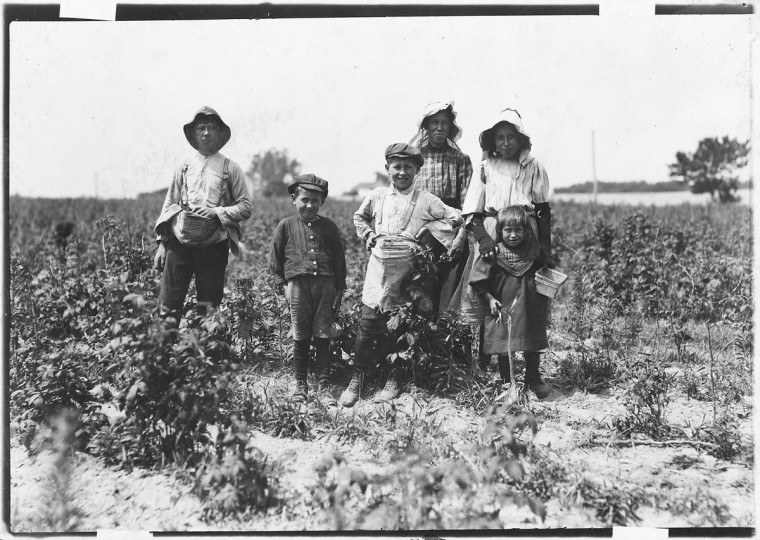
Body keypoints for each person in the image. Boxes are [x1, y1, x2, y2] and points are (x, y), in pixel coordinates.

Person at [338, 143, 462, 407]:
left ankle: (394, 378)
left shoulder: (427, 200)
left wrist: (429, 227)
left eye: (408, 167)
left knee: (401, 322)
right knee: (369, 321)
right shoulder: (377, 196)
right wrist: (369, 235)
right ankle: (358, 377)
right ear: (387, 169)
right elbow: (359, 218)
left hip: (409, 270)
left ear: (417, 170)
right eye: (397, 167)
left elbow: (456, 218)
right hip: (379, 266)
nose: (402, 172)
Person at [447, 107, 554, 382]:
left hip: (524, 234)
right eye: (500, 138)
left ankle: (533, 374)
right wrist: (483, 239)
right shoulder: (485, 167)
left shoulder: (533, 167)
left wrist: (544, 247)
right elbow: (472, 211)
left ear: (521, 139)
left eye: (511, 137)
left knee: (528, 302)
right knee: (492, 297)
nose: (505, 143)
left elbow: (542, 209)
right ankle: (498, 370)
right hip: (494, 233)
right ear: (492, 142)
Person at [153, 106, 252, 325]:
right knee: (168, 306)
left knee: (208, 309)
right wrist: (162, 244)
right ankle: (163, 356)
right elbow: (170, 204)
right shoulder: (184, 166)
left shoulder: (231, 168)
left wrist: (217, 212)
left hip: (214, 245)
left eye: (211, 128)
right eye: (201, 128)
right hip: (180, 243)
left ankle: (203, 356)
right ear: (194, 134)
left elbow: (246, 207)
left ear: (220, 134)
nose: (206, 133)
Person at [268, 174, 347, 406]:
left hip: (325, 285)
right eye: (305, 200)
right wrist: (283, 286)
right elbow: (275, 260)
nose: (310, 205)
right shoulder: (286, 226)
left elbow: (339, 259)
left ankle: (323, 386)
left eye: (315, 200)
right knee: (300, 335)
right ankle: (300, 385)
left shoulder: (329, 227)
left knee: (323, 334)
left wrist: (339, 288)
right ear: (294, 199)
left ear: (322, 202)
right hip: (297, 286)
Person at [468, 205, 553, 399]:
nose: (513, 235)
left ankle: (533, 377)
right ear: (500, 231)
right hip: (502, 307)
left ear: (526, 231)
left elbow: (546, 269)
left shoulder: (534, 251)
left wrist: (548, 265)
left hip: (530, 306)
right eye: (508, 230)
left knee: (532, 341)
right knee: (504, 344)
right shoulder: (493, 253)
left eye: (518, 230)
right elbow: (478, 281)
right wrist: (488, 299)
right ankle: (508, 382)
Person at [409, 101, 473, 313]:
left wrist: (460, 238)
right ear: (426, 127)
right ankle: (420, 336)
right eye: (434, 122)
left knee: (450, 279)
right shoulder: (414, 158)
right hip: (419, 227)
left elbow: (468, 205)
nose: (439, 127)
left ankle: (446, 334)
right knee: (420, 279)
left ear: (451, 128)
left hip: (451, 226)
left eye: (444, 123)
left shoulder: (460, 159)